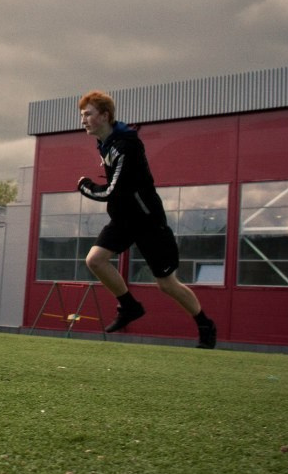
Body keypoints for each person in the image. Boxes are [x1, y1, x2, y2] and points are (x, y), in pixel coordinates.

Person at [75, 91, 217, 349]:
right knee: (95, 260)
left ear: (105, 116)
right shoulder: (105, 142)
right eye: (82, 115)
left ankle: (205, 324)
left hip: (147, 221)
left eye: (88, 114)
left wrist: (85, 186)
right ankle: (129, 306)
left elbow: (112, 191)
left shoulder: (125, 146)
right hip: (123, 219)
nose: (83, 120)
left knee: (166, 284)